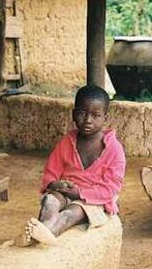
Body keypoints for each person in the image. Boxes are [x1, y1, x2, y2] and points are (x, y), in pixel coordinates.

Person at [14, 85, 126, 247]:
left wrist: (79, 193)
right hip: (66, 191)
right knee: (49, 202)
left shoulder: (114, 150)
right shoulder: (67, 142)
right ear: (73, 114)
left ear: (105, 118)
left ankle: (44, 235)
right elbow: (51, 171)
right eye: (82, 113)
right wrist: (54, 184)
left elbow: (110, 189)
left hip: (94, 200)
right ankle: (41, 230)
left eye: (95, 115)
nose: (88, 120)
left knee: (70, 214)